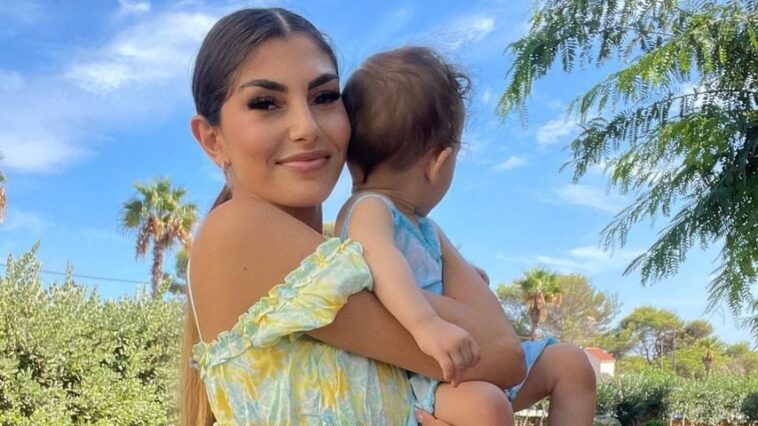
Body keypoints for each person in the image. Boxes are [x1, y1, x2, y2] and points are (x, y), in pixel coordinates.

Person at [179, 7, 595, 426]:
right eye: (265, 103)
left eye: (324, 97)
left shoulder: (344, 258)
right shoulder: (241, 230)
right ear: (212, 140)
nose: (306, 127)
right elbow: (503, 354)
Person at [335, 46, 597, 425]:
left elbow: (428, 270)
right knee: (487, 407)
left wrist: (466, 277)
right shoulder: (369, 207)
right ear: (438, 162)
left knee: (570, 363)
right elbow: (378, 257)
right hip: (418, 373)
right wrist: (426, 324)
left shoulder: (424, 227)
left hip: (466, 358)